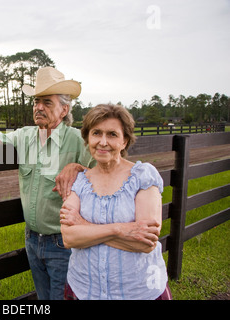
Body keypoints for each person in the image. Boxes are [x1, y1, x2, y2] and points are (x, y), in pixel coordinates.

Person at [0, 67, 95, 300]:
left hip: (63, 242)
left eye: (47, 102)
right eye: (37, 101)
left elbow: (104, 174)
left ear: (64, 110)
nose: (39, 107)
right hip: (32, 240)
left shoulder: (78, 140)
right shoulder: (25, 135)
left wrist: (77, 167)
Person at [60, 104, 172, 300]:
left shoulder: (143, 176)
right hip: (86, 289)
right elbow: (69, 238)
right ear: (87, 138)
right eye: (96, 133)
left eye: (112, 134)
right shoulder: (79, 181)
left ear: (124, 140)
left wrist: (85, 227)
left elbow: (146, 242)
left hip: (137, 291)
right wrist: (120, 229)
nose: (103, 142)